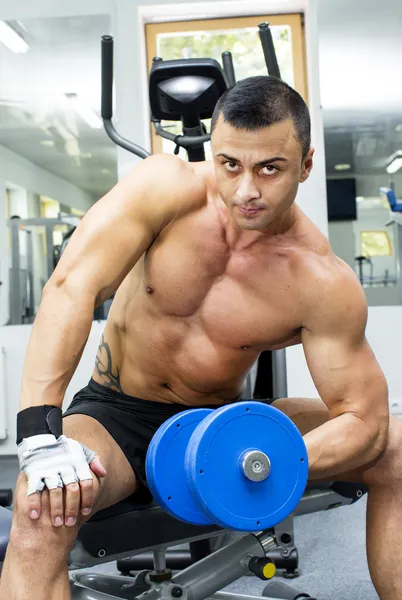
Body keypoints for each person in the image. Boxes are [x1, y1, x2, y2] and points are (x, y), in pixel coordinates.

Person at [0, 75, 398, 600]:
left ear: (305, 165)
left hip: (220, 424)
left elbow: (362, 421)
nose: (245, 190)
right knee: (41, 503)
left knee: (394, 444)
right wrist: (38, 430)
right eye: (230, 164)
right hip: (116, 414)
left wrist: (273, 458)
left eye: (269, 169)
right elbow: (72, 287)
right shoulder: (166, 187)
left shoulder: (321, 280)